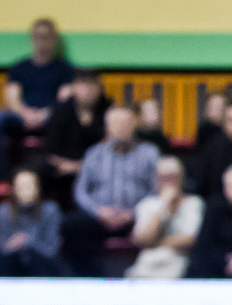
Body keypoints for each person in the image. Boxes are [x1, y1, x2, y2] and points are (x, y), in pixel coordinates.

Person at [61, 107, 159, 276]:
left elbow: (156, 190)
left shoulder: (149, 153)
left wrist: (134, 212)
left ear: (134, 125)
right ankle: (87, 278)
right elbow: (80, 192)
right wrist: (98, 211)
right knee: (73, 225)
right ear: (107, 127)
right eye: (116, 123)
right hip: (100, 217)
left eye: (125, 123)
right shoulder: (94, 154)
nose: (121, 127)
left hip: (137, 218)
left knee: (158, 222)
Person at [0, 18, 76, 184]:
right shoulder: (19, 68)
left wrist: (45, 114)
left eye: (46, 37)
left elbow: (64, 98)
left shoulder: (65, 69)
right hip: (21, 116)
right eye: (38, 36)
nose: (42, 41)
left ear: (53, 40)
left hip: (52, 116)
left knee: (69, 118)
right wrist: (25, 114)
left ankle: (57, 179)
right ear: (32, 39)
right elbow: (12, 97)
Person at [128, 156, 205, 279]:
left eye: (172, 177)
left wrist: (155, 243)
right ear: (156, 180)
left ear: (182, 179)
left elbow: (190, 240)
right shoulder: (147, 204)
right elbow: (142, 239)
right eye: (164, 178)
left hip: (180, 261)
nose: (169, 182)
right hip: (148, 262)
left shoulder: (193, 203)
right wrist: (163, 207)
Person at [43, 70, 112, 203]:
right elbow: (51, 151)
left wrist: (82, 167)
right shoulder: (60, 111)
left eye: (92, 85)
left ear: (99, 88)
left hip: (99, 168)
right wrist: (73, 166)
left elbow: (111, 147)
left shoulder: (108, 111)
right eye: (82, 85)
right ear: (73, 87)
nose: (87, 90)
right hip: (63, 167)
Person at [0, 167, 66, 276]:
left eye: (28, 186)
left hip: (43, 266)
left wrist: (27, 240)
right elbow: (3, 249)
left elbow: (51, 250)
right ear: (14, 189)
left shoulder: (50, 210)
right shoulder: (3, 211)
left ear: (37, 188)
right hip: (13, 266)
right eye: (20, 186)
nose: (24, 190)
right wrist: (14, 245)